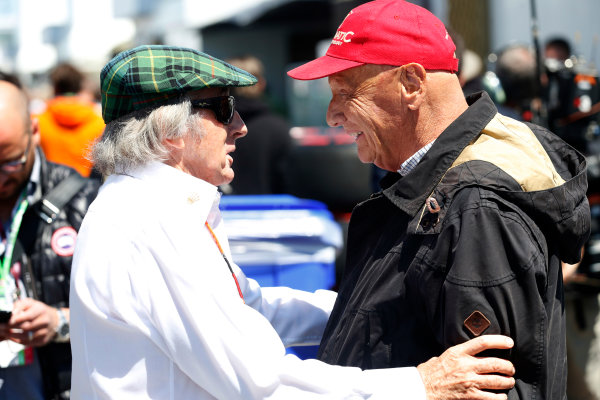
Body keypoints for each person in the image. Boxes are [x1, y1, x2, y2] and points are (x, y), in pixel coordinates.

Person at [69, 44, 517, 399]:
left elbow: (252, 308)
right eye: (224, 108)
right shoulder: (150, 222)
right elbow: (261, 384)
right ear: (169, 129)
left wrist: (373, 308)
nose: (241, 126)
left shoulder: (149, 207)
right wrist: (419, 385)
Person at [287, 0, 590, 399]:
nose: (332, 114)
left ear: (411, 83)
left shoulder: (476, 209)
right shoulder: (433, 183)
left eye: (346, 92)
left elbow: (496, 388)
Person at [0, 77, 100, 399]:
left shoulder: (84, 203)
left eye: (10, 162)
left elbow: (131, 309)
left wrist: (59, 322)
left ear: (35, 132)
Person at [224, 55, 292, 195]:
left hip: (221, 212)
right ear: (261, 84)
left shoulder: (213, 127)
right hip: (273, 212)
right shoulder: (279, 128)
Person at [37, 62, 105, 177]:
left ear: (55, 87)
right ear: (79, 86)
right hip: (89, 187)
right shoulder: (99, 119)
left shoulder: (37, 120)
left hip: (51, 187)